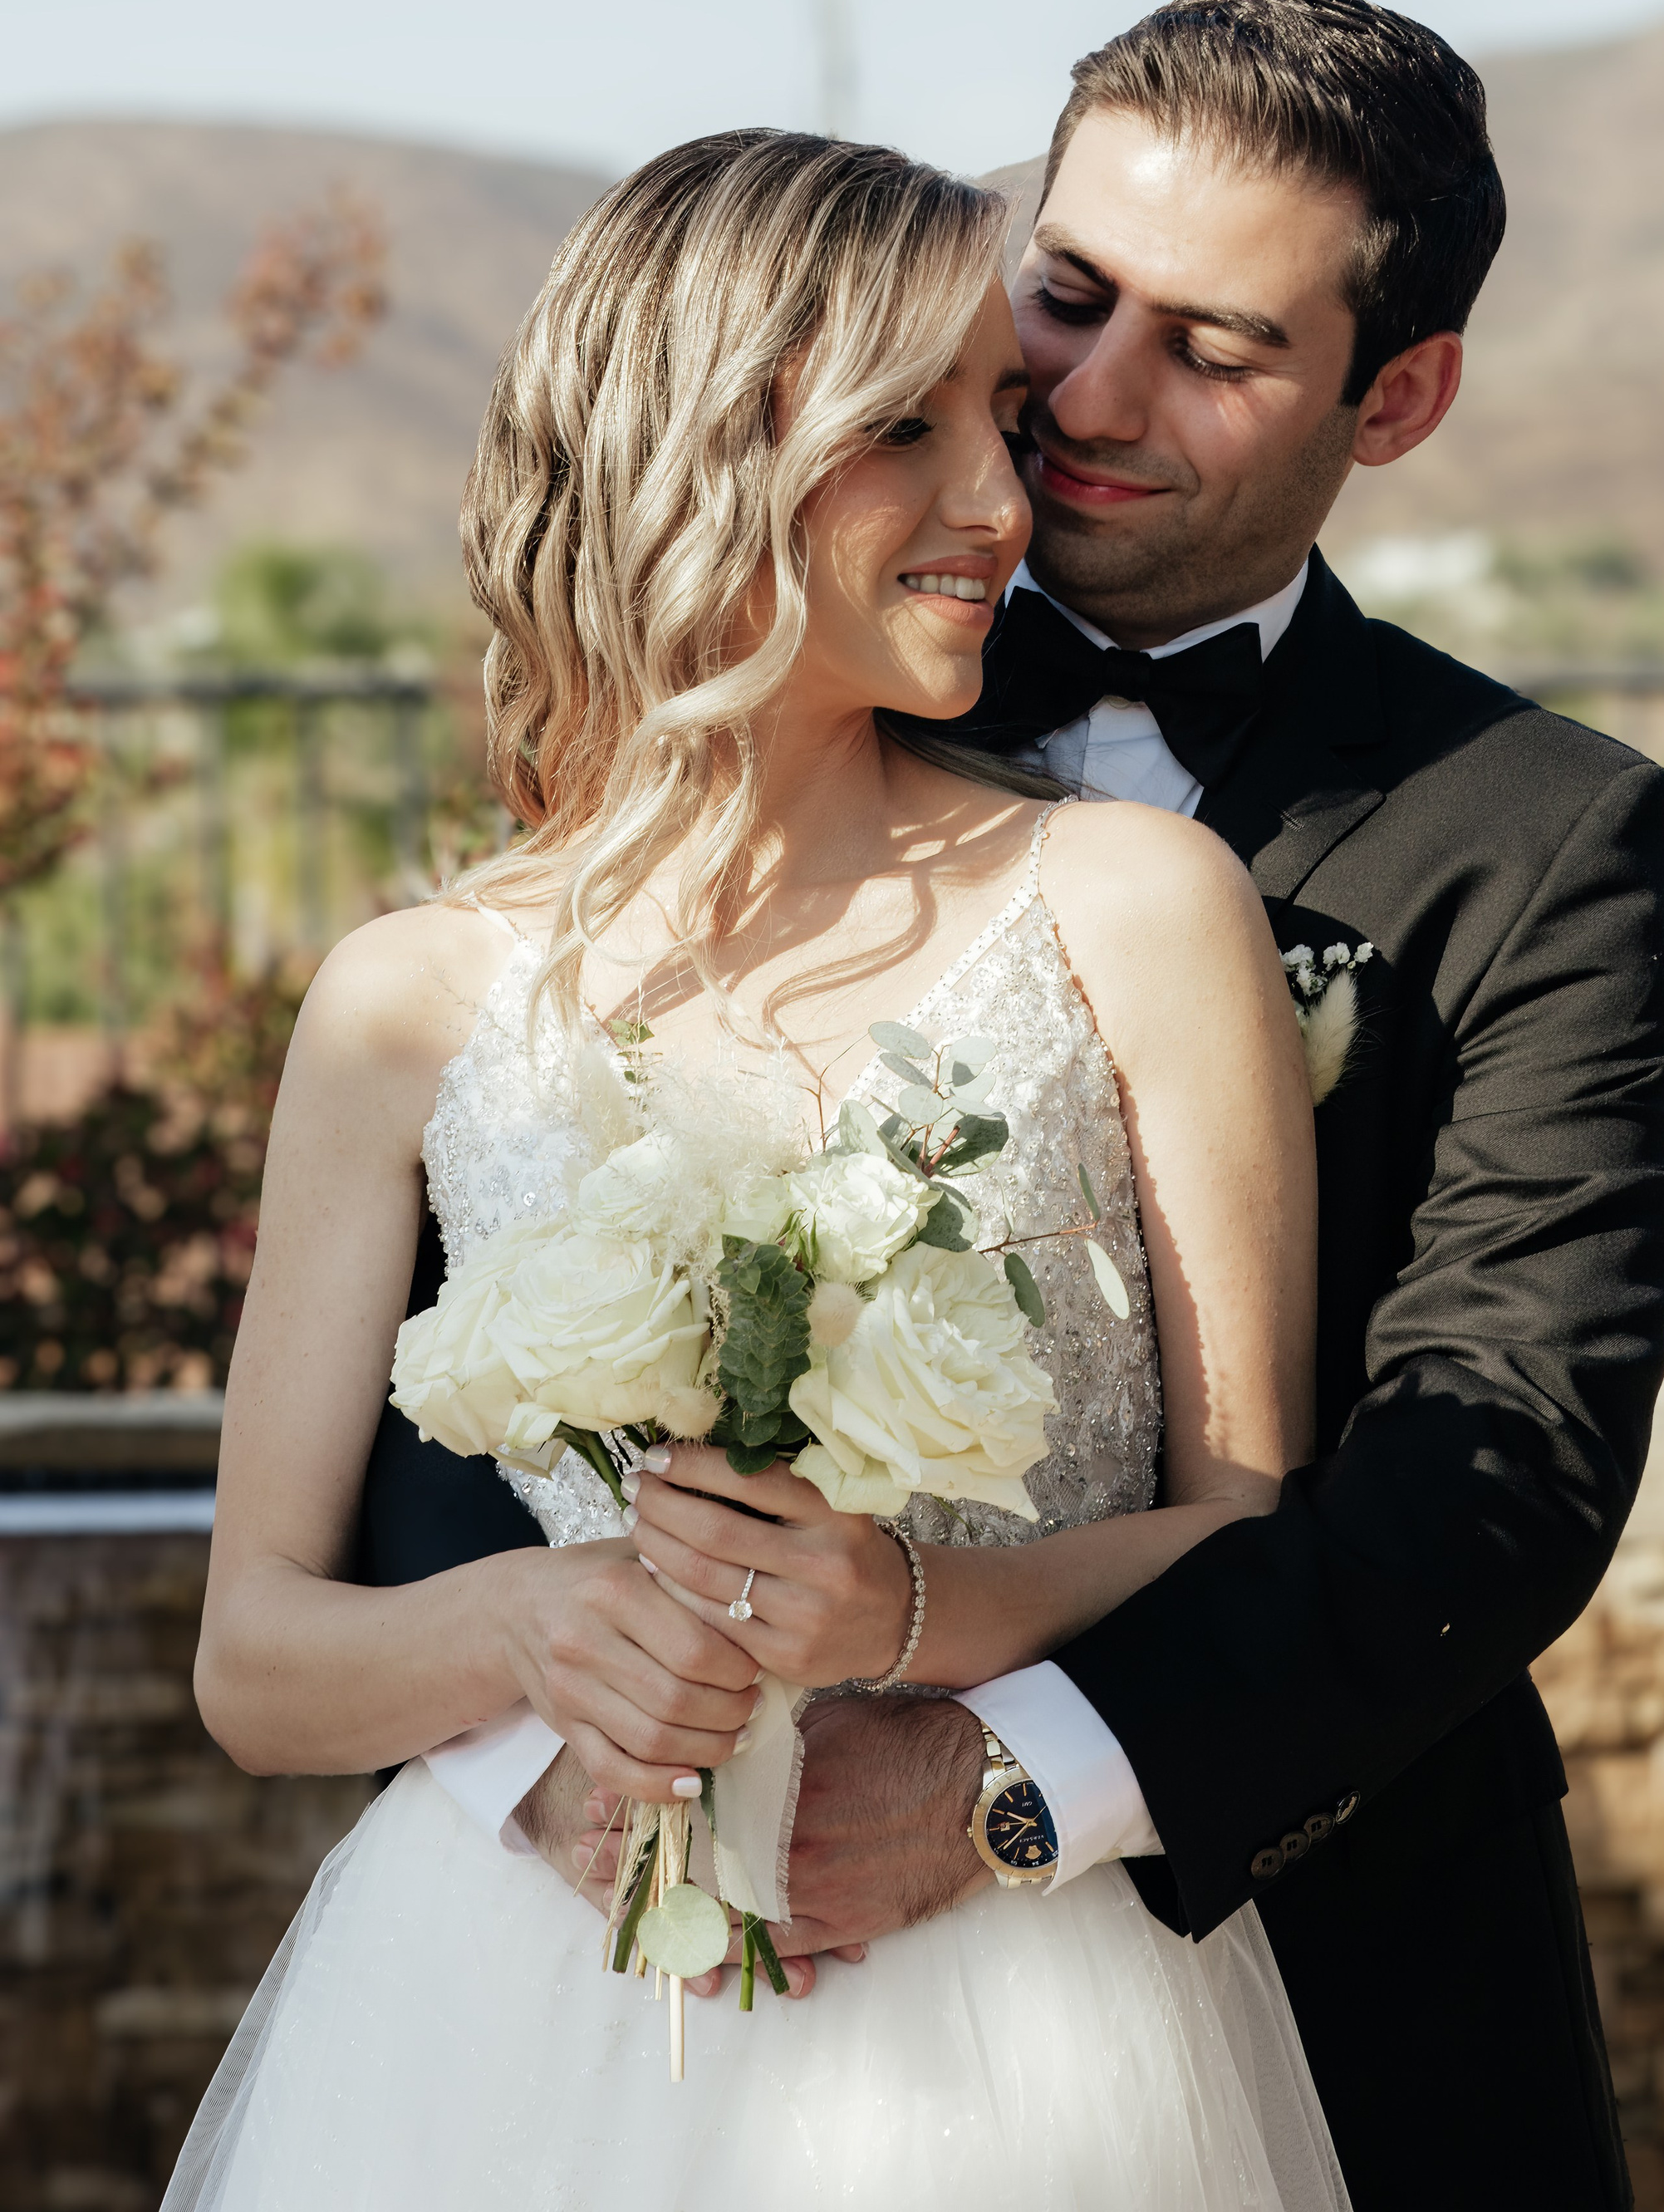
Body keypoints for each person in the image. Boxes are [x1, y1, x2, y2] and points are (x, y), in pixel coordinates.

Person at [580, 0, 1664, 2208]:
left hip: (1329, 1920)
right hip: (709, 1951)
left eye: (1215, 348)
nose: (1086, 396)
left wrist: (1019, 1782)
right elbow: (480, 1278)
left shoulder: (1539, 835)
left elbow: (1509, 1462)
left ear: (1402, 397)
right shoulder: (754, 717)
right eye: (1066, 293)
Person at [165, 131, 1352, 2210]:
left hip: (1022, 2027)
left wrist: (920, 1605)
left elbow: (1251, 1531)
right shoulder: (402, 1004)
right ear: (698, 446)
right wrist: (537, 1637)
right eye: (905, 427)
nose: (1005, 502)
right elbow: (255, 1657)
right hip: (509, 2021)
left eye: (999, 413)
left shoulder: (1135, 907)